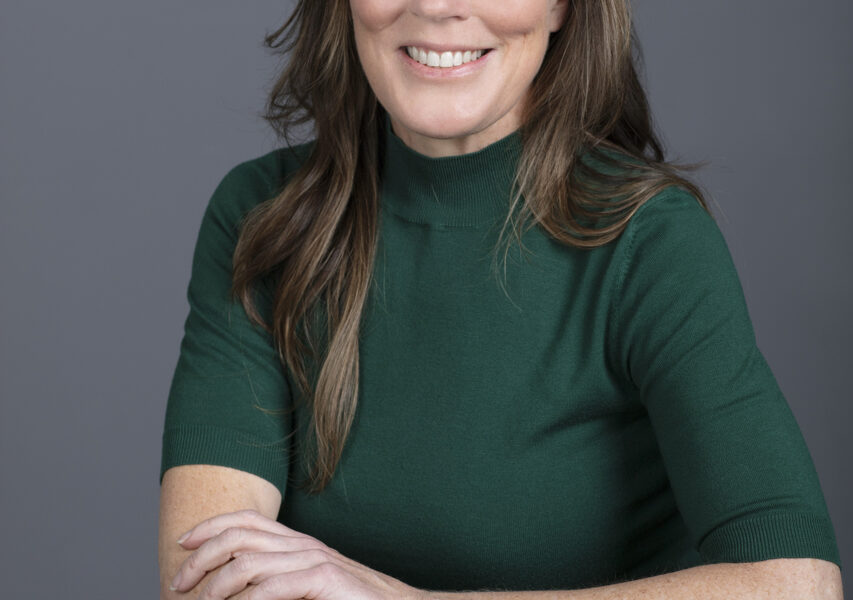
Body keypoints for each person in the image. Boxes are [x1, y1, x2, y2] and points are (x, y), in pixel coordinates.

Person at [158, 0, 844, 598]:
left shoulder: (650, 242)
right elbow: (204, 576)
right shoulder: (264, 217)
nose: (436, 5)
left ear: (560, 6)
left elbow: (795, 583)